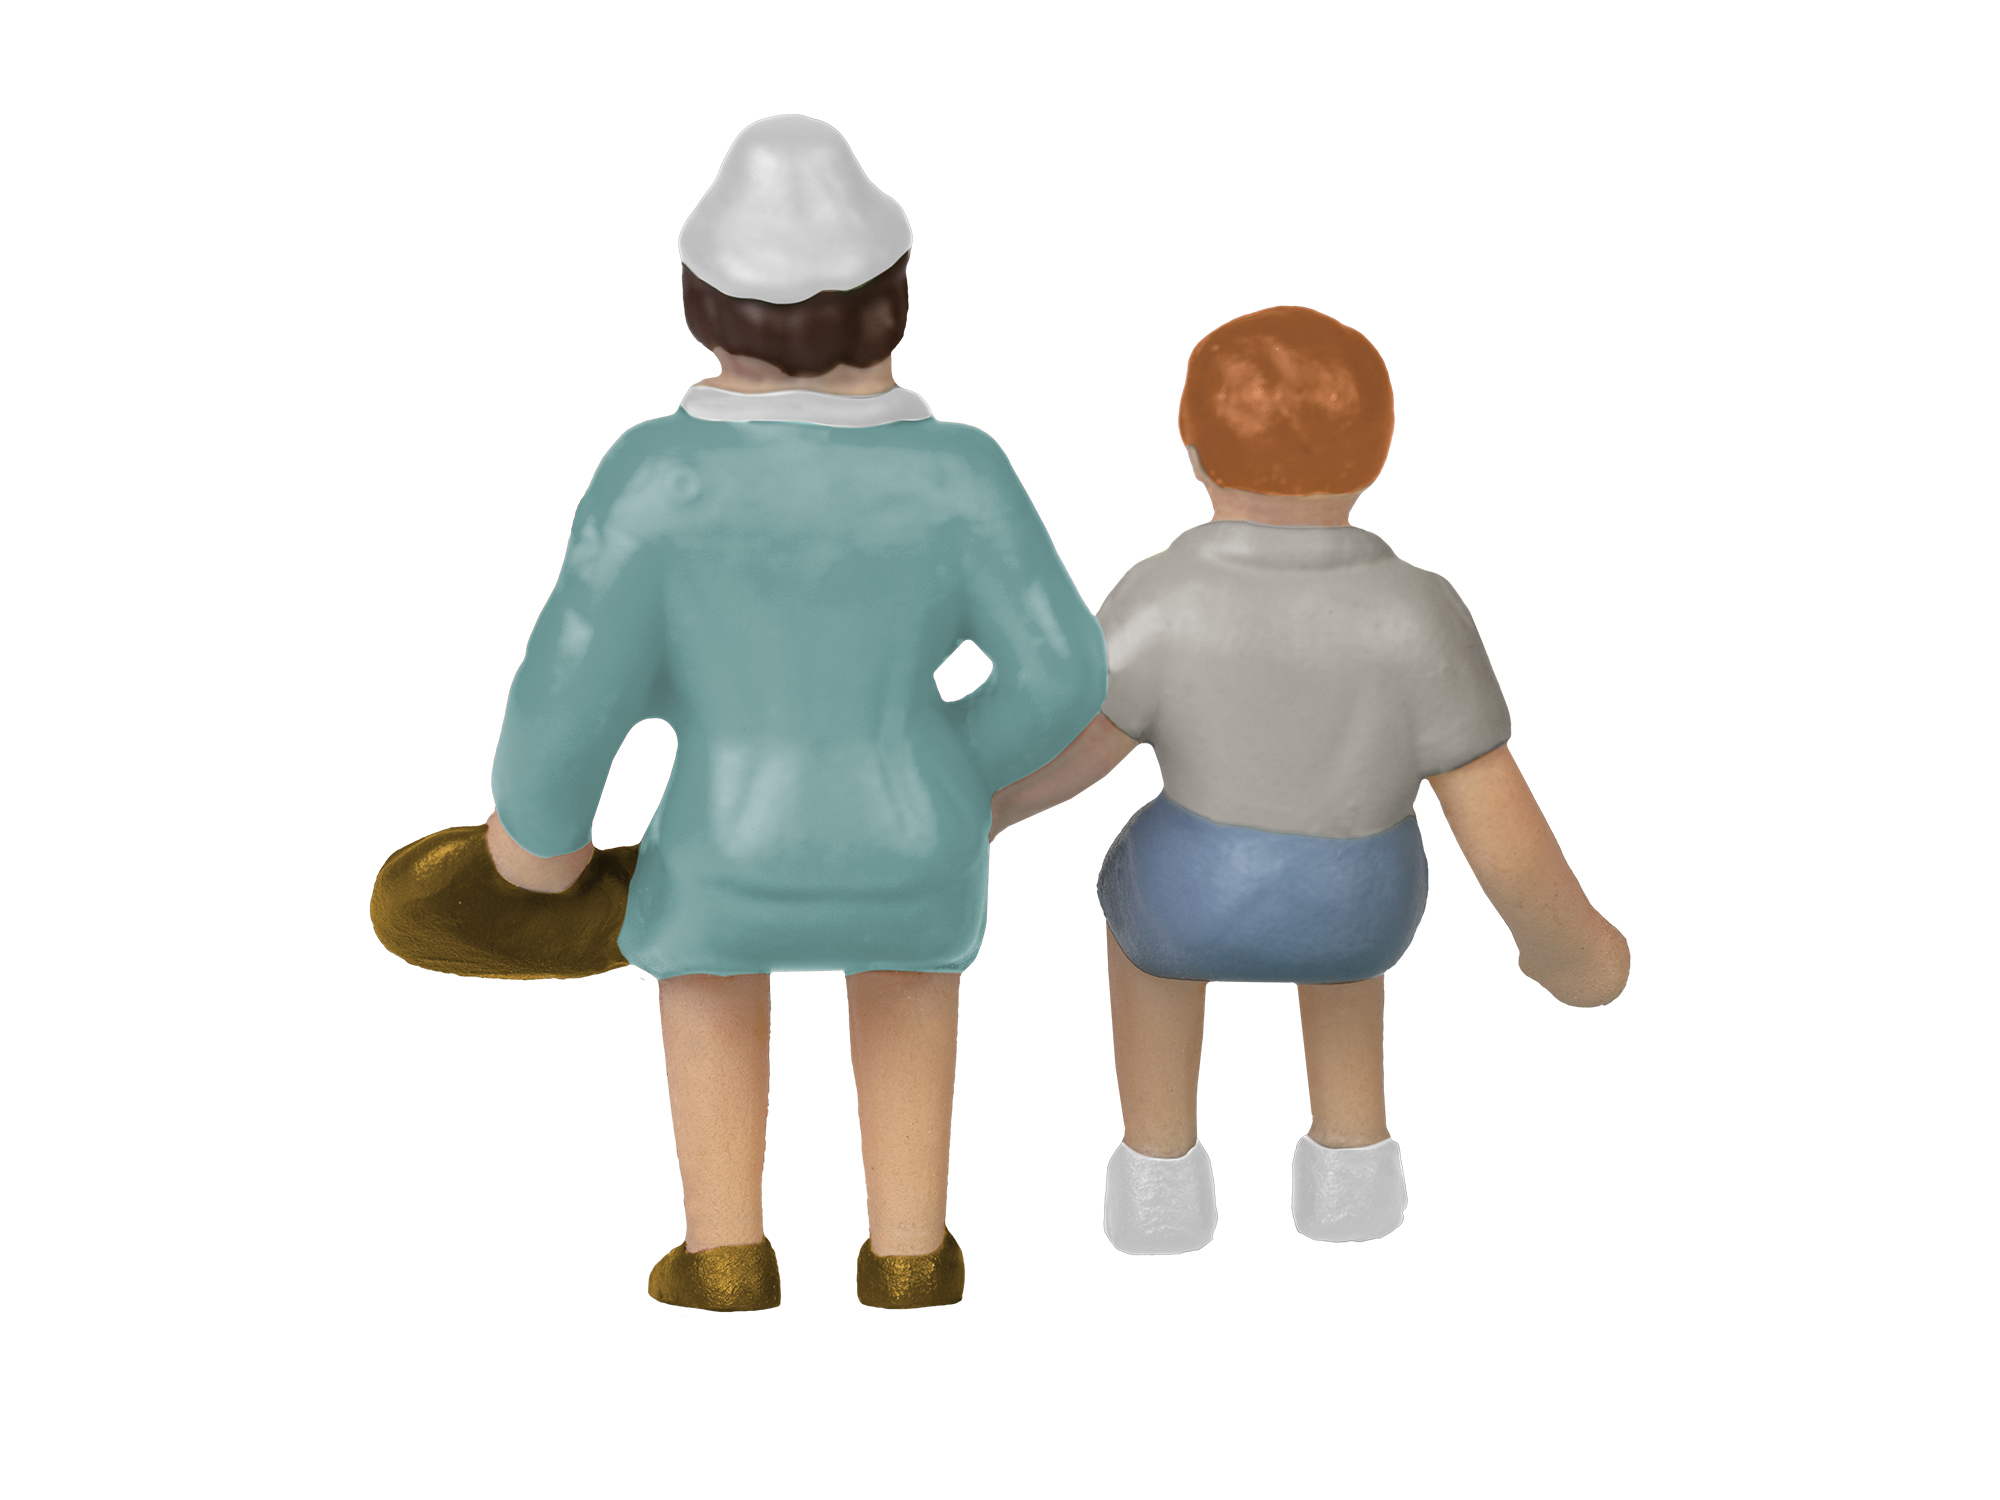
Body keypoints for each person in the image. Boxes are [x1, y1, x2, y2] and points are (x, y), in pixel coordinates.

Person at [375, 116, 1106, 1308]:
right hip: (912, 844)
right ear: (893, 303)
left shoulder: (654, 477)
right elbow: (1064, 671)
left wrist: (536, 851)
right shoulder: (960, 472)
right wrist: (949, 772)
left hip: (721, 845)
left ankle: (723, 1252)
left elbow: (571, 686)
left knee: (707, 993)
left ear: (702, 307)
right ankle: (909, 1251)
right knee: (908, 988)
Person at [987, 306, 1628, 1253]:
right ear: (1380, 452)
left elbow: (1082, 744)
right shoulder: (1420, 610)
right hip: (1363, 901)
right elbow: (1492, 809)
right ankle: (1352, 1167)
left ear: (1190, 445)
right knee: (1342, 953)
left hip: (1192, 896)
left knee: (1146, 942)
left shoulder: (1162, 594)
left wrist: (989, 810)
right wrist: (1566, 946)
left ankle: (1159, 1172)